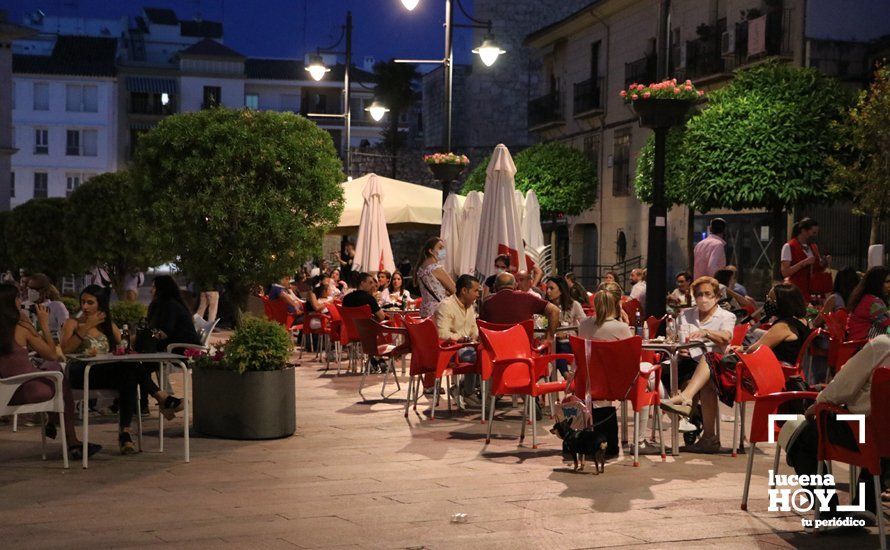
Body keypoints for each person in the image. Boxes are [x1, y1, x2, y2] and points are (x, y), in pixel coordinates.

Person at [785, 335, 890, 528]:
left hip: (864, 435)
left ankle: (827, 512)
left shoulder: (883, 346)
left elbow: (843, 386)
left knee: (800, 437)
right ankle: (866, 506)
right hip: (883, 440)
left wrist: (817, 404)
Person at [0, 283, 101, 459]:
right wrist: (43, 325)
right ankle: (72, 441)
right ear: (11, 302)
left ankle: (55, 423)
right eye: (18, 297)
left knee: (53, 372)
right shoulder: (21, 328)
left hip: (4, 393)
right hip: (30, 390)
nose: (20, 301)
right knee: (57, 370)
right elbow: (53, 354)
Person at [657, 276, 735, 453]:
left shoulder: (726, 316)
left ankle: (701, 429)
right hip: (684, 360)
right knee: (651, 372)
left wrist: (706, 332)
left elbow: (726, 337)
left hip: (710, 366)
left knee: (705, 381)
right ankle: (681, 416)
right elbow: (676, 335)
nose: (703, 298)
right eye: (699, 294)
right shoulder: (686, 314)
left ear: (716, 296)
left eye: (707, 294)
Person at [61, 286, 141, 454]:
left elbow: (123, 348)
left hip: (105, 371)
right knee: (130, 374)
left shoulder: (108, 326)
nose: (85, 307)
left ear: (100, 304)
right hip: (80, 372)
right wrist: (86, 327)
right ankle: (159, 397)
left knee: (130, 373)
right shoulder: (73, 323)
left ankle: (125, 431)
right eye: (83, 302)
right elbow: (66, 350)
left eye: (90, 302)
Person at [434, 274, 482, 406]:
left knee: (490, 354)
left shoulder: (470, 307)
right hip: (448, 351)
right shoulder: (446, 306)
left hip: (466, 349)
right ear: (464, 291)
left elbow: (474, 332)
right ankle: (467, 392)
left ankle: (465, 389)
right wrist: (460, 338)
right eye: (476, 291)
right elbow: (441, 333)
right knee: (479, 356)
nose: (478, 294)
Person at [479, 272, 560, 344]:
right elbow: (555, 311)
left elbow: (481, 332)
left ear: (494, 287)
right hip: (524, 354)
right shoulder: (527, 298)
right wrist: (549, 338)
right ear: (515, 285)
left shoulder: (487, 303)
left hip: (494, 355)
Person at [781, 218, 831, 302]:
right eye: (813, 232)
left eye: (817, 233)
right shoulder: (789, 246)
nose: (815, 235)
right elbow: (785, 272)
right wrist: (804, 263)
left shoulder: (813, 247)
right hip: (796, 292)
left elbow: (817, 269)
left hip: (812, 293)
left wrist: (825, 263)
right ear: (803, 231)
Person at [545, 276, 586, 377]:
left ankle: (566, 375)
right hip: (551, 343)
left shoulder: (574, 305)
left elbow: (585, 324)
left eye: (551, 288)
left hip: (570, 343)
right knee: (556, 348)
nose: (548, 291)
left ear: (561, 290)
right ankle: (567, 376)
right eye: (547, 288)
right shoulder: (545, 306)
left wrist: (567, 335)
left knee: (558, 349)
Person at [412, 237, 456, 319]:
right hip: (440, 311)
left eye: (443, 248)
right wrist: (446, 292)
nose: (443, 250)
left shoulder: (421, 269)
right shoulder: (436, 268)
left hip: (425, 310)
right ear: (431, 251)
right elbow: (455, 290)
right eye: (440, 248)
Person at [845, 266, 890, 340]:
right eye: (887, 282)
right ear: (877, 283)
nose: (889, 285)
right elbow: (887, 322)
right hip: (859, 344)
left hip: (854, 340)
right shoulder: (875, 302)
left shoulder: (866, 297)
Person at [25, 273, 69, 341]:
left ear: (44, 290)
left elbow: (65, 330)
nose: (30, 291)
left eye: (34, 289)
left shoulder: (57, 306)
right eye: (29, 288)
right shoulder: (24, 306)